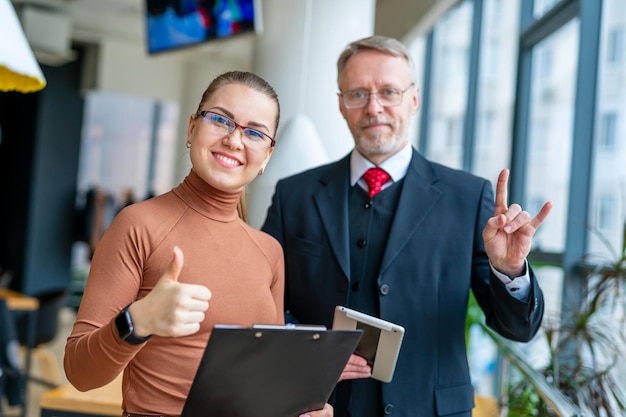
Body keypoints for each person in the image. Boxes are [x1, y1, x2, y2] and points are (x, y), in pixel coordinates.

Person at [261, 35, 553, 417]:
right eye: (358, 94)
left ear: (414, 99)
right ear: (341, 105)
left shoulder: (468, 196)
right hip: (314, 407)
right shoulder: (293, 194)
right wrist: (307, 348)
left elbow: (518, 329)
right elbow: (261, 298)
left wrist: (511, 270)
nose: (374, 107)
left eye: (389, 91)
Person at [64, 71, 333, 417]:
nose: (235, 141)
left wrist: (298, 408)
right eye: (221, 120)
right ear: (192, 128)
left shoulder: (270, 252)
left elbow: (265, 381)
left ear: (267, 155)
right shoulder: (138, 225)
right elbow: (79, 372)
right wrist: (138, 321)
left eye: (254, 132)